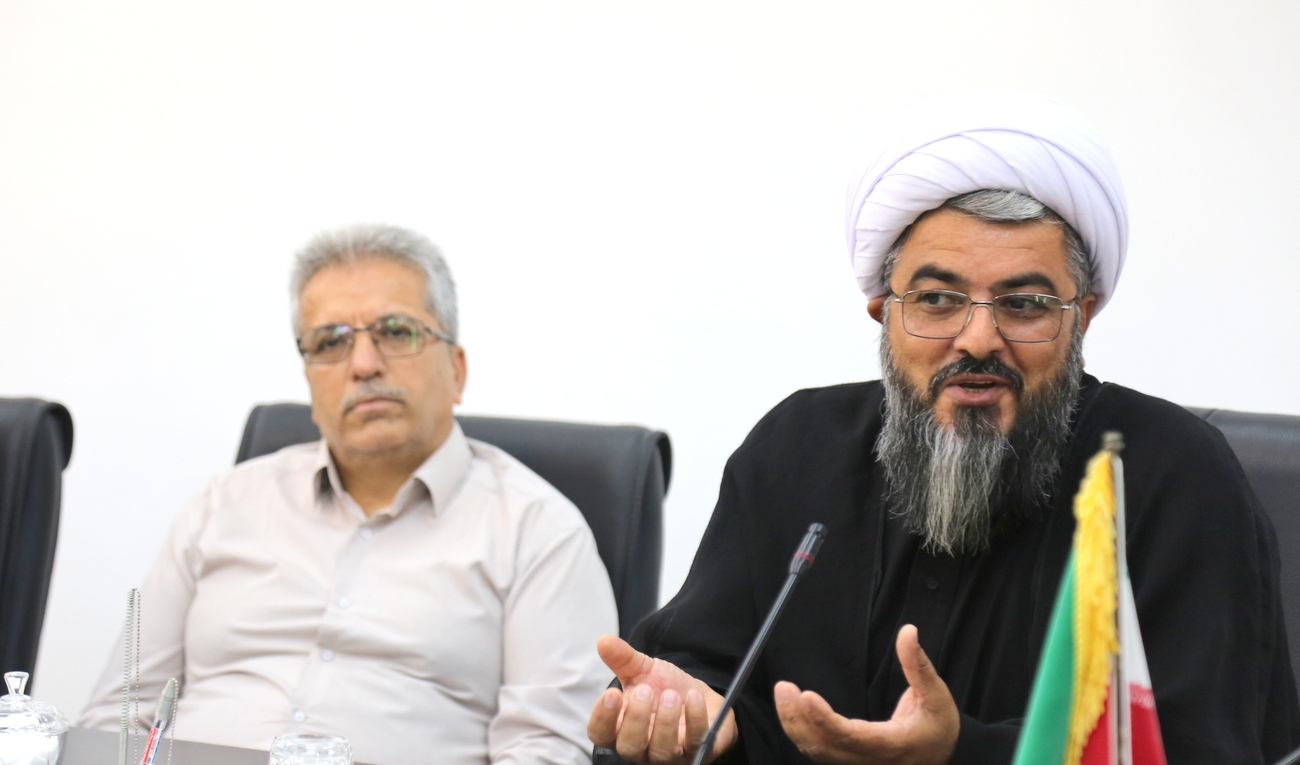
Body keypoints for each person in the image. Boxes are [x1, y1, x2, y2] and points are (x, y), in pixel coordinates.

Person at [587, 92, 1300, 765]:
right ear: (884, 311)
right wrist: (692, 715)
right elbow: (708, 670)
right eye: (937, 299)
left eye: (1024, 305)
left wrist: (959, 752)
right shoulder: (797, 448)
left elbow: (1194, 744)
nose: (978, 338)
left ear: (1081, 316)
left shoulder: (1173, 476)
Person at [82, 224, 618, 765]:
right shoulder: (224, 504)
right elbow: (119, 717)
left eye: (396, 332)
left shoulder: (538, 530)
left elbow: (550, 750)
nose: (363, 364)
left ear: (457, 371)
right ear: (309, 382)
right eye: (331, 342)